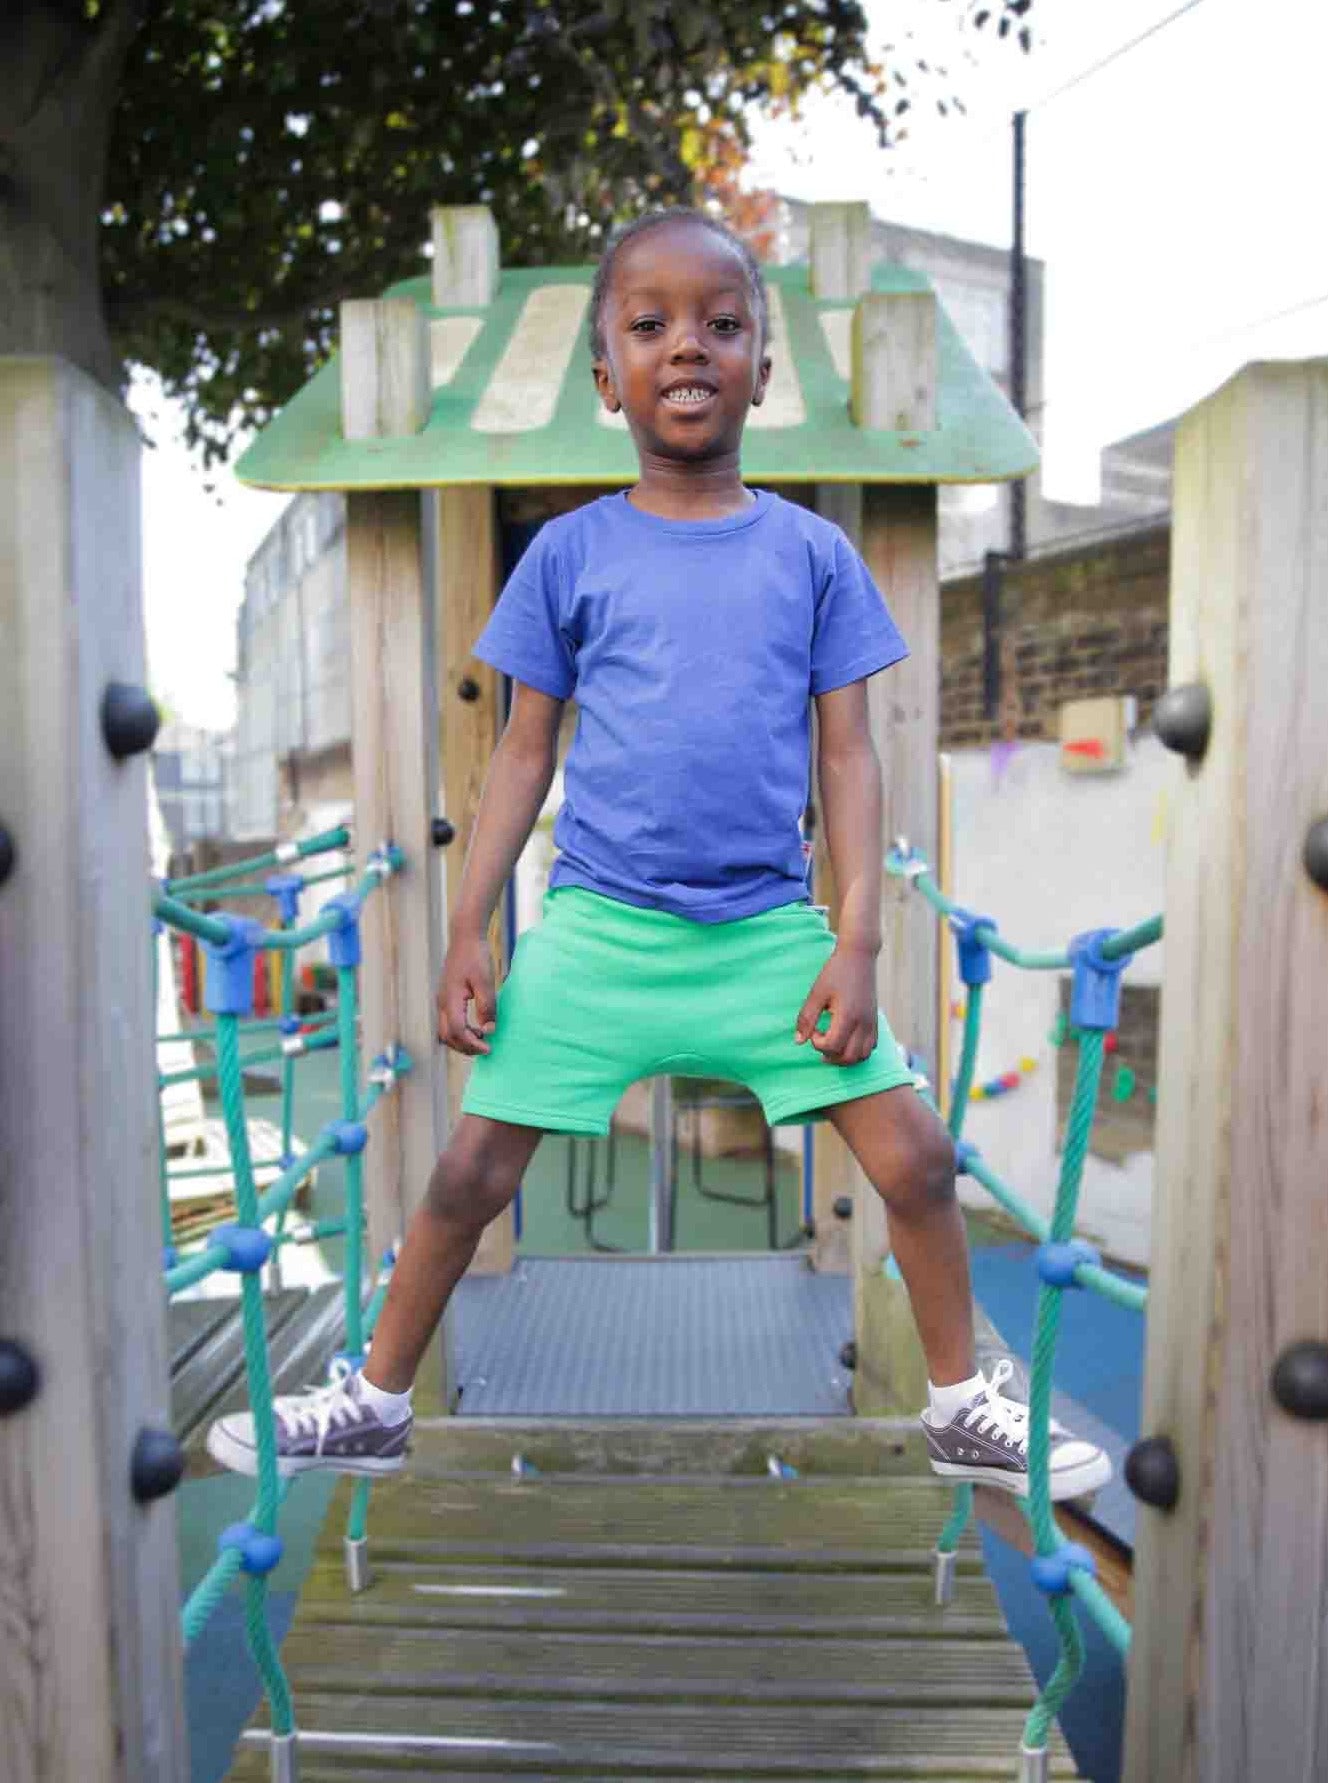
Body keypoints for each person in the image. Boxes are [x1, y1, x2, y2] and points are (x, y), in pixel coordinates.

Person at [208, 208, 1110, 1503]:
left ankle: (963, 1407)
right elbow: (522, 751)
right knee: (469, 1171)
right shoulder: (569, 553)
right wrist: (469, 927)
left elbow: (849, 754)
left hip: (768, 935)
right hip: (600, 928)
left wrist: (857, 936)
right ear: (607, 376)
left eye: (721, 323)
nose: (688, 345)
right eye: (651, 324)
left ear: (761, 368)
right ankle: (377, 1402)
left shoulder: (813, 553)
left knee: (915, 1158)